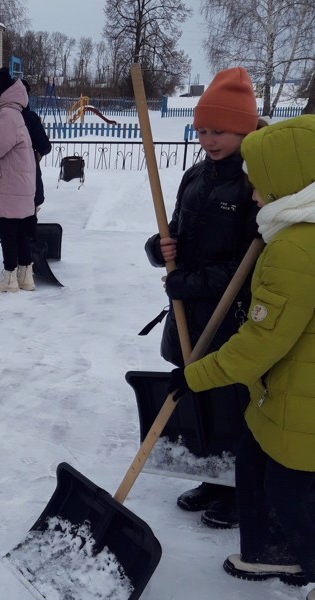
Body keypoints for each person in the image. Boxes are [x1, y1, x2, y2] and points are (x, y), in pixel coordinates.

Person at [168, 114, 315, 596]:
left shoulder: (294, 248)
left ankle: (303, 562)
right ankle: (269, 550)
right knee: (256, 461)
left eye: (260, 184)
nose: (253, 194)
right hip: (286, 387)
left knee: (291, 492)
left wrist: (195, 377)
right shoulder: (294, 235)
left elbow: (260, 343)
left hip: (301, 395)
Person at [144, 67, 261, 528]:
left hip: (229, 315)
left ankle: (237, 488)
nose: (210, 140)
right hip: (187, 312)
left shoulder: (254, 185)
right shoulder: (195, 176)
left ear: (246, 128)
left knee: (232, 401)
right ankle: (213, 478)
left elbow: (248, 264)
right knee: (200, 399)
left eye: (221, 131)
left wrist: (190, 284)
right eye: (203, 130)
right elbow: (177, 234)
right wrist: (160, 248)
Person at [0, 67, 36, 293]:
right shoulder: (13, 112)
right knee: (21, 232)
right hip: (18, 184)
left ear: (3, 92)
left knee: (8, 233)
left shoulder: (7, 115)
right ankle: (25, 276)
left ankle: (9, 278)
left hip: (10, 185)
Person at [19, 79, 52, 290]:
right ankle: (26, 259)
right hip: (28, 178)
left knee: (11, 224)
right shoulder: (29, 117)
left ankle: (14, 264)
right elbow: (45, 146)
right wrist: (37, 152)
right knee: (29, 214)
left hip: (6, 184)